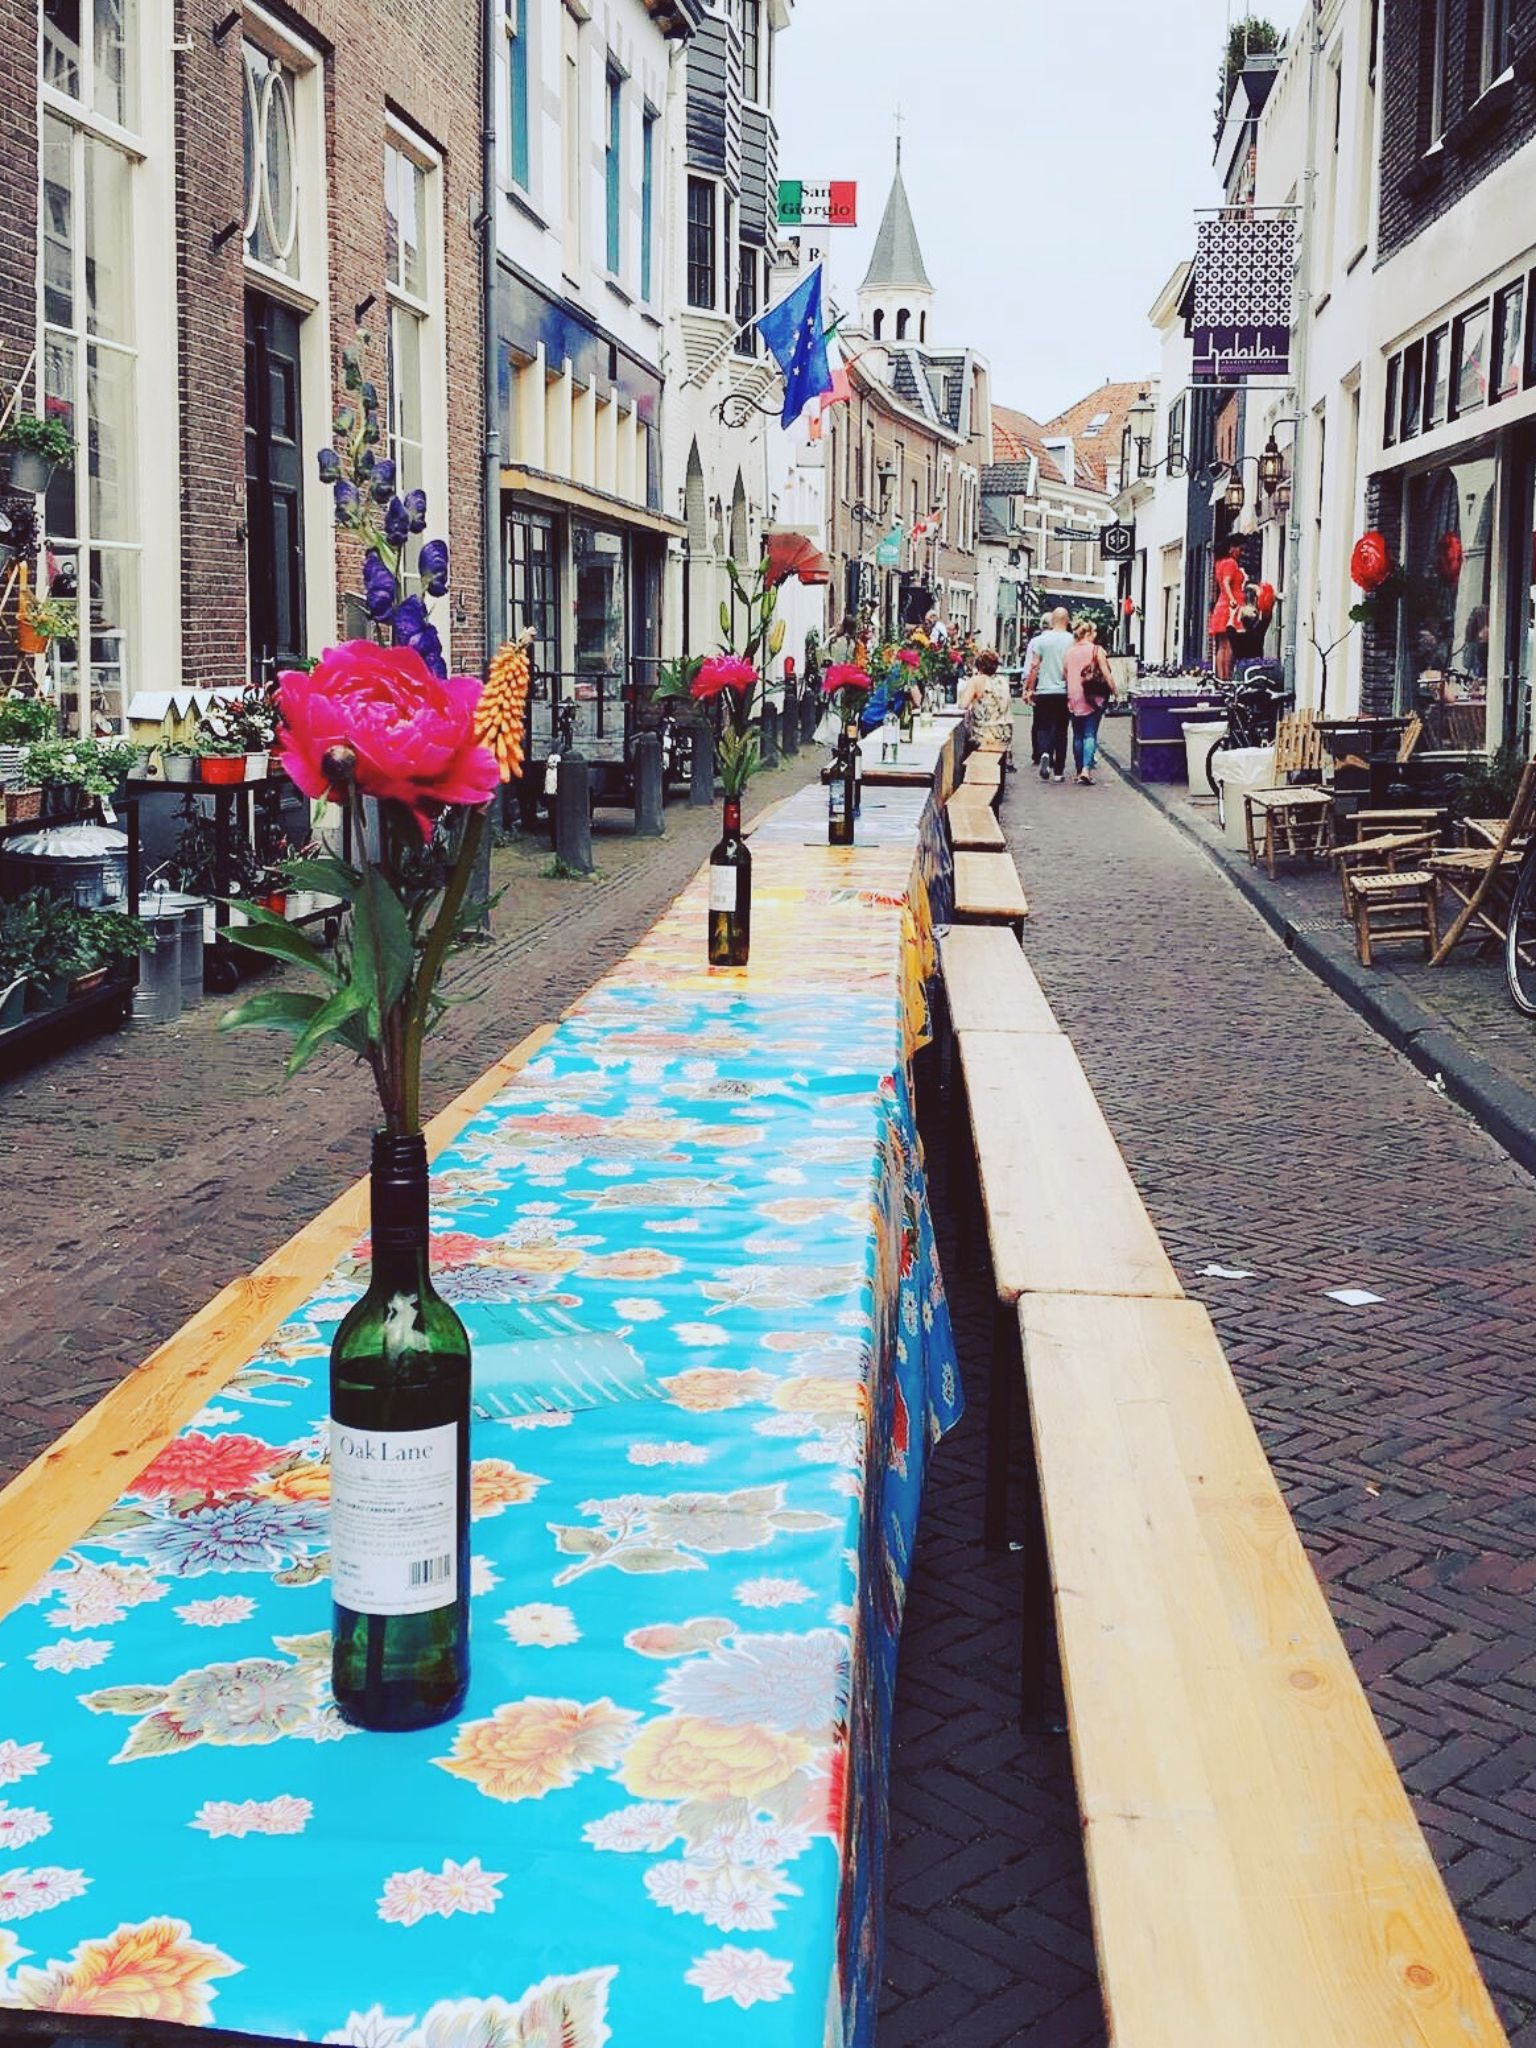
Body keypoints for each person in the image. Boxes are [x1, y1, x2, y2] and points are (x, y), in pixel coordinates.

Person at [1023, 607, 1074, 781]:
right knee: (1061, 731)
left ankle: (1045, 753)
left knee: (1043, 726)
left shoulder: (1040, 641)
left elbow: (1034, 666)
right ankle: (1058, 772)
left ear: (1052, 621)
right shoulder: (1072, 640)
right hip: (1063, 692)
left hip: (1044, 691)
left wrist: (1029, 688)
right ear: (1067, 620)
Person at [1063, 620, 1116, 784]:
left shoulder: (1069, 652)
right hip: (1093, 696)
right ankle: (1086, 769)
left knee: (1077, 735)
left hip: (1073, 696)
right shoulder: (1097, 650)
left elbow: (1064, 674)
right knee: (1090, 734)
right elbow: (1107, 674)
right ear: (1088, 634)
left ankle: (1079, 770)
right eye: (1094, 633)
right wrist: (1115, 691)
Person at [960, 648, 1014, 754]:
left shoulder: (977, 681)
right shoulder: (1003, 681)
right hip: (1005, 732)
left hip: (985, 733)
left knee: (964, 742)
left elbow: (963, 705)